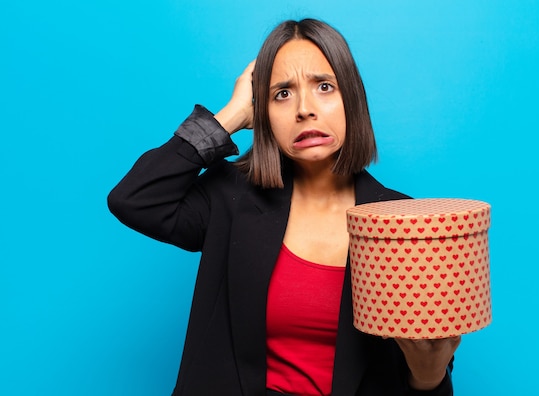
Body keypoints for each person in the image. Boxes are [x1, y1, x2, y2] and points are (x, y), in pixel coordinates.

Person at [108, 18, 460, 396]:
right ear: (264, 115)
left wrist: (428, 377)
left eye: (324, 86)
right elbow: (134, 199)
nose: (304, 109)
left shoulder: (403, 222)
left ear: (352, 99)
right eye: (282, 94)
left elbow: (426, 365)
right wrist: (231, 116)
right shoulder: (231, 197)